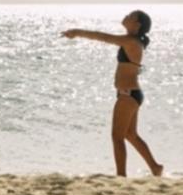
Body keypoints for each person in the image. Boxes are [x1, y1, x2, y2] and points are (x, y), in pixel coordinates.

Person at [62, 10, 163, 177]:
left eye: (131, 16)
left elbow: (102, 37)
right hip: (131, 93)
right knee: (130, 134)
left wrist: (77, 32)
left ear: (137, 25)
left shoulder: (131, 41)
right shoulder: (132, 41)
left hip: (128, 94)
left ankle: (121, 176)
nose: (127, 16)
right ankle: (155, 167)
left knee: (117, 137)